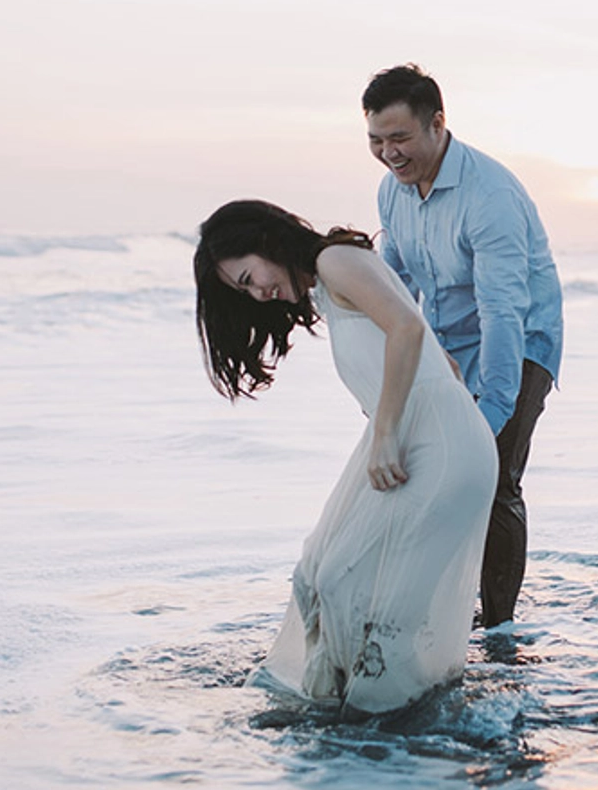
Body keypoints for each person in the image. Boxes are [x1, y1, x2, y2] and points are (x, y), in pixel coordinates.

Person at [194, 199, 497, 717]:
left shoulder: (336, 260)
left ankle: (382, 727)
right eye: (243, 291)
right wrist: (405, 423)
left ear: (267, 244)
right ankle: (369, 718)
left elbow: (409, 329)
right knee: (324, 578)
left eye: (249, 277)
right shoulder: (329, 285)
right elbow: (442, 362)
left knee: (353, 590)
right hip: (428, 441)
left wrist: (388, 432)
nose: (257, 293)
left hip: (436, 448)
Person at [362, 64, 563, 627]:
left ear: (438, 125)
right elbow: (395, 285)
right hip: (448, 344)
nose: (389, 153)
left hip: (521, 342)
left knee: (494, 476)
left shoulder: (489, 195)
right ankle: (440, 611)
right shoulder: (391, 191)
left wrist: (491, 416)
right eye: (376, 141)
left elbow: (504, 311)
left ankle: (499, 627)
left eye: (400, 138)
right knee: (430, 474)